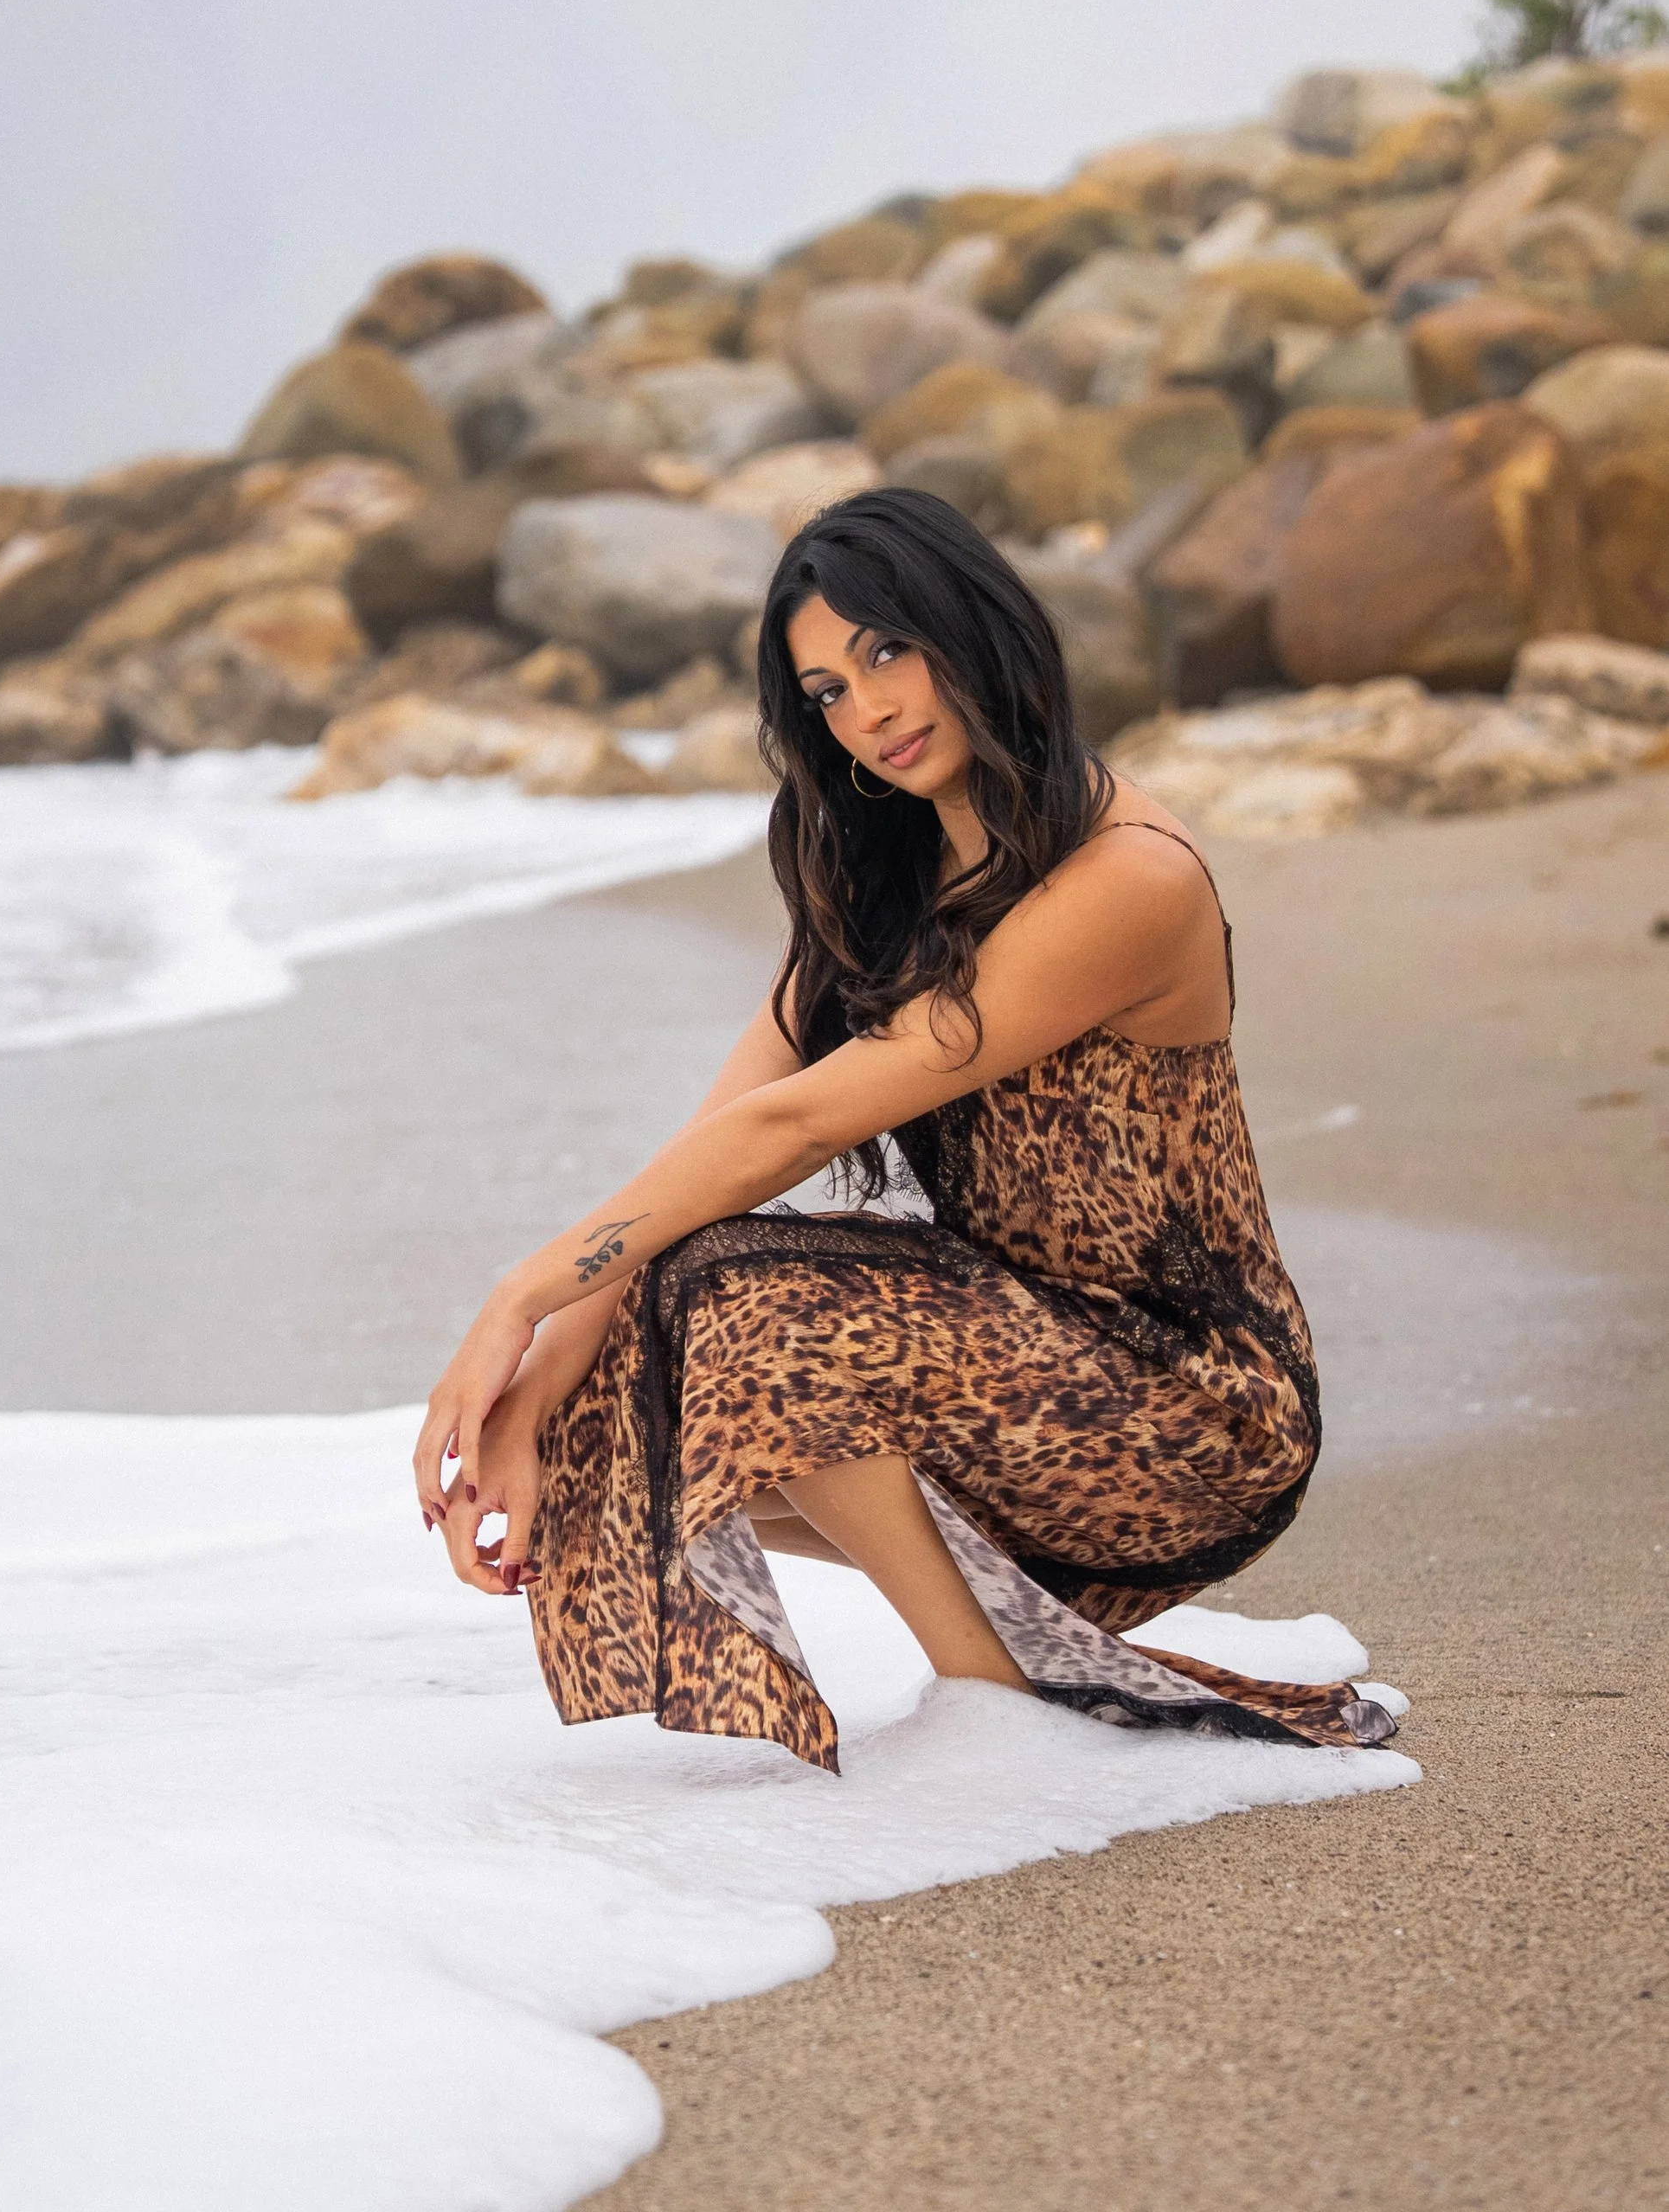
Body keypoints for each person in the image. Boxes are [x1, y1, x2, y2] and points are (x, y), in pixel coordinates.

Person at [413, 487, 1400, 1771]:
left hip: (1193, 1417)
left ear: (970, 627)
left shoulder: (1128, 879)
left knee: (742, 1300)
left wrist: (515, 1294)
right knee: (642, 1330)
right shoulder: (889, 872)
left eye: (886, 649)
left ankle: (1004, 1690)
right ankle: (1021, 1660)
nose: (866, 709)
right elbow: (728, 1131)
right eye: (825, 689)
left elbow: (804, 1122)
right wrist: (537, 1391)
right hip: (1023, 1382)